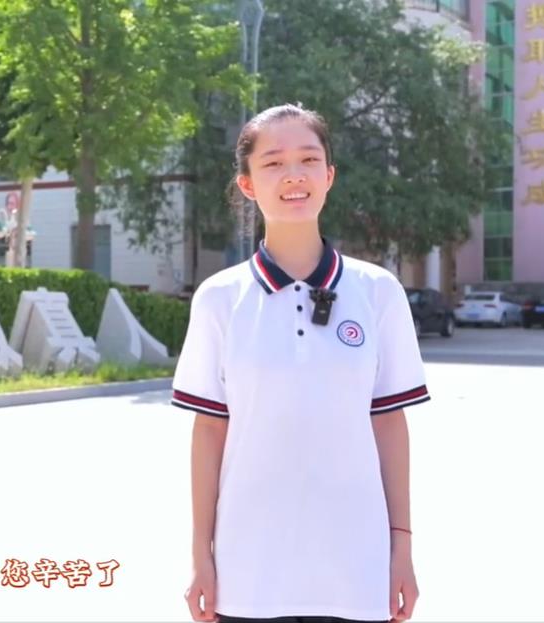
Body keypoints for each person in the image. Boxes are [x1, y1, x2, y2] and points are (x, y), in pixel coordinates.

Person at [172, 103, 429, 623]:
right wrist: (201, 556)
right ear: (247, 184)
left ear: (329, 176)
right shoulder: (219, 298)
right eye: (273, 163)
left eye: (309, 159)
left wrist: (401, 547)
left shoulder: (377, 291)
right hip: (248, 573)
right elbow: (210, 431)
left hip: (355, 570)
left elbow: (388, 423)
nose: (294, 174)